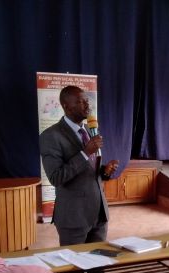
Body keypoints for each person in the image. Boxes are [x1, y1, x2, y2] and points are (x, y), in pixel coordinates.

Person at [40, 85, 120, 246]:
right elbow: (56, 177)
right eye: (80, 101)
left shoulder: (90, 130)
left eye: (86, 100)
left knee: (98, 261)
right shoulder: (51, 136)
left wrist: (105, 171)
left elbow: (90, 168)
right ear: (66, 106)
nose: (87, 104)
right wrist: (85, 152)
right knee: (74, 262)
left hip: (99, 214)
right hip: (74, 217)